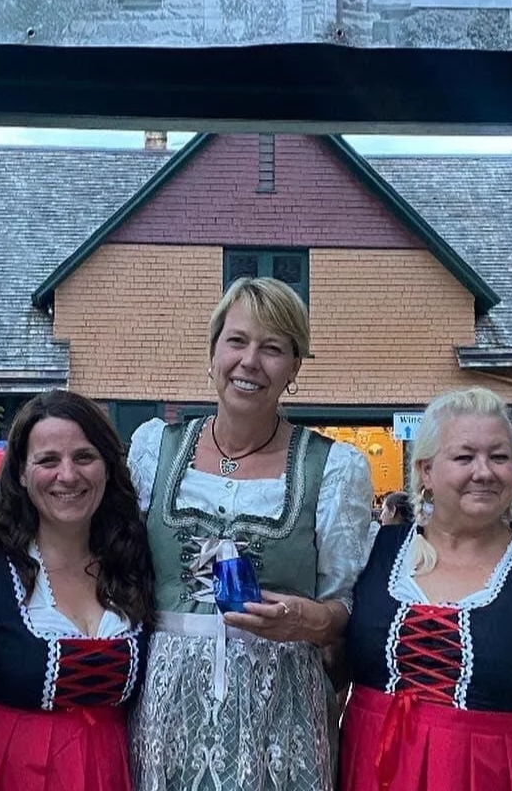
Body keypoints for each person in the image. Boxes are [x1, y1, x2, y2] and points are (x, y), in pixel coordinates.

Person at [127, 276, 375, 791]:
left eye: (273, 349)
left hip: (279, 699)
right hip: (167, 697)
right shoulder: (155, 450)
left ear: (294, 368)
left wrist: (310, 620)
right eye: (236, 341)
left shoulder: (333, 468)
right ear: (214, 351)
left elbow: (345, 607)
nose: (250, 361)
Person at [340, 386, 512, 791]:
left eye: (499, 457)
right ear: (426, 472)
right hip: (374, 772)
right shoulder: (371, 554)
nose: (484, 472)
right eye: (464, 456)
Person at [0, 389, 155, 791]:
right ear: (22, 474)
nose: (68, 475)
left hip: (108, 771)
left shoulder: (134, 562)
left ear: (108, 468)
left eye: (84, 457)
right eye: (47, 460)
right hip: (5, 770)